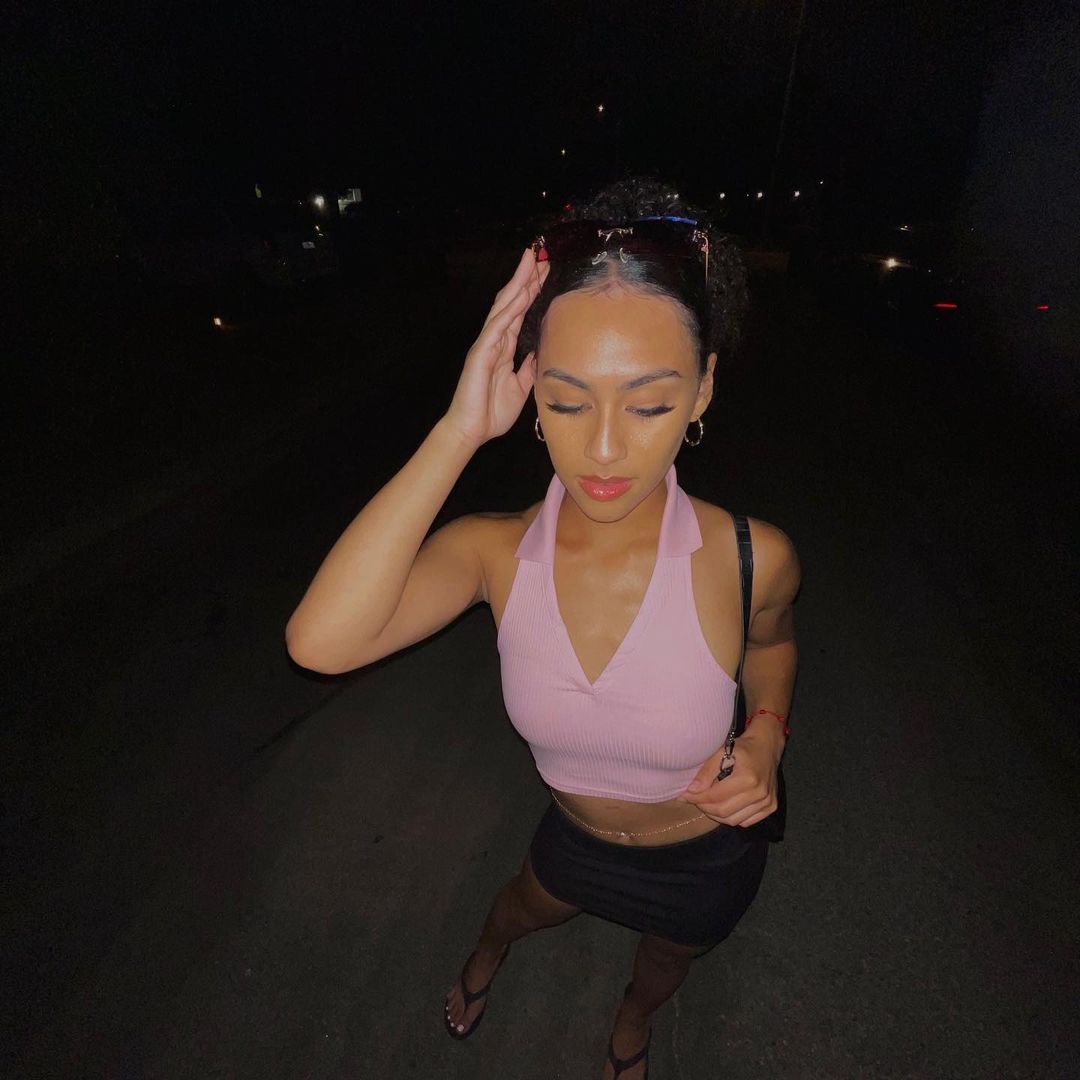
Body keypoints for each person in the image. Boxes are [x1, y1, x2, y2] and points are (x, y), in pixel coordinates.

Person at [285, 177, 801, 1079]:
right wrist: (459, 429)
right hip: (574, 838)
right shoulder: (492, 551)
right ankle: (486, 957)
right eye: (566, 401)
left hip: (707, 855)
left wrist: (765, 734)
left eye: (649, 404)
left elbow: (774, 647)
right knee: (517, 911)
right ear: (529, 392)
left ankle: (631, 1030)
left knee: (665, 966)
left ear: (704, 389)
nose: (604, 449)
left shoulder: (754, 555)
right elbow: (320, 643)